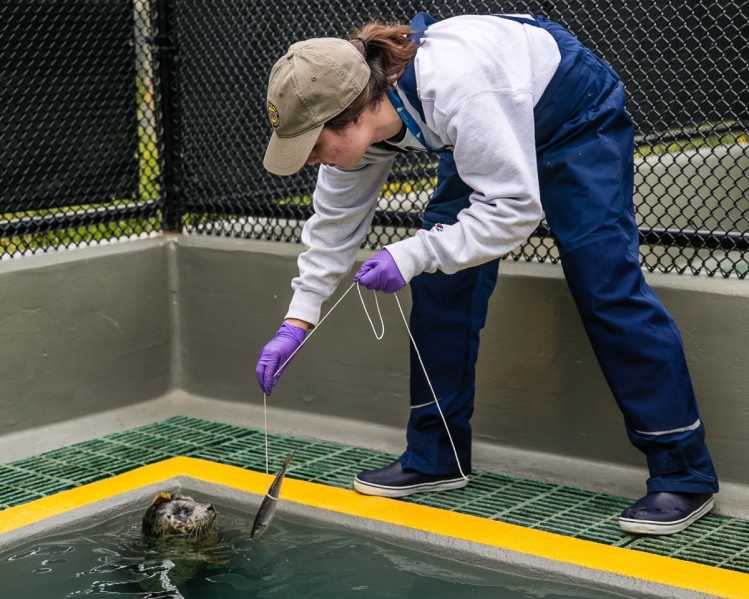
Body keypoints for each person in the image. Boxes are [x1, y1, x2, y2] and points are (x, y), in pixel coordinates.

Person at [255, 12, 719, 535]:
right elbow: (334, 228)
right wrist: (297, 321)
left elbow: (513, 211)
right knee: (441, 280)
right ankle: (437, 454)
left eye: (316, 146)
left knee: (605, 284)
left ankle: (684, 474)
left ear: (354, 114)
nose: (315, 161)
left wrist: (409, 254)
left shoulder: (458, 91)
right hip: (490, 126)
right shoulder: (357, 139)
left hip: (569, 113)